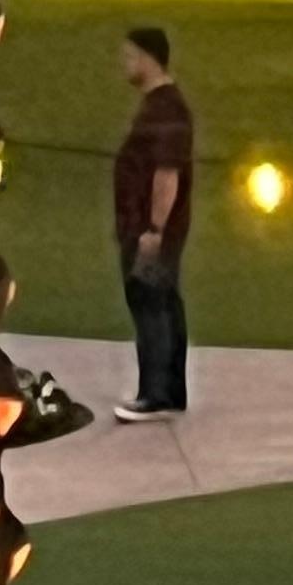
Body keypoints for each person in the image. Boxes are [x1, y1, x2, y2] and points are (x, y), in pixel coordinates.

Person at [111, 24, 194, 420]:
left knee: (150, 303)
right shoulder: (162, 107)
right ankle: (171, 392)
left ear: (149, 59)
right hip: (148, 229)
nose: (124, 63)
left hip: (150, 231)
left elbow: (167, 174)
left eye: (130, 56)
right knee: (163, 301)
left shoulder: (166, 111)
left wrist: (154, 229)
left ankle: (156, 393)